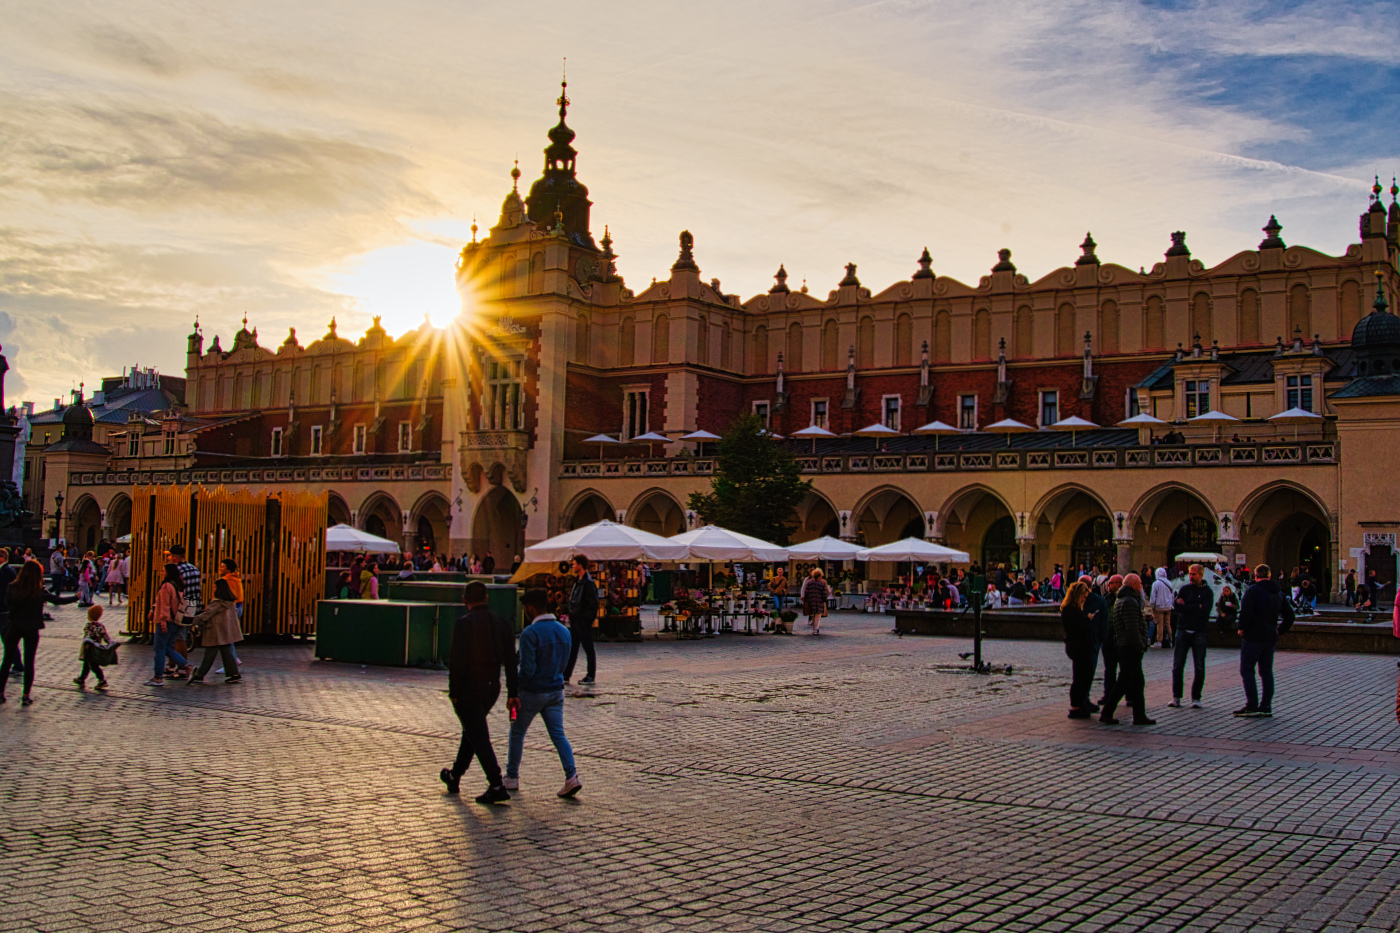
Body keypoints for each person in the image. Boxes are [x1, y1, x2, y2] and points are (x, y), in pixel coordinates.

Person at [440, 581, 518, 804]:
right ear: (486, 598)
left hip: (469, 687)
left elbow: (457, 661)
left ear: (465, 600)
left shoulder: (464, 624)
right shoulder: (501, 622)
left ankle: (496, 783)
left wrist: (454, 691)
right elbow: (511, 661)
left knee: (479, 735)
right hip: (492, 686)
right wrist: (514, 692)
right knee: (473, 731)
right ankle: (454, 776)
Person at [506, 588, 581, 799]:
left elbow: (527, 668)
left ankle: (511, 777)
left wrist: (517, 689)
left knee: (517, 732)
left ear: (530, 608)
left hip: (532, 691)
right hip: (556, 691)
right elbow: (565, 662)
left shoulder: (530, 633)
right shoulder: (563, 631)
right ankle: (571, 775)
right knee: (558, 734)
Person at [2, 560, 79, 704]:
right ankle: (25, 695)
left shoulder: (12, 587)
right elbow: (57, 600)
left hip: (13, 626)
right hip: (31, 628)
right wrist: (75, 597)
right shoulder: (39, 590)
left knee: (6, 660)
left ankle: (0, 692)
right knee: (29, 662)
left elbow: (7, 604)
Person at [1235, 564, 1294, 718]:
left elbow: (1246, 611)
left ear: (1256, 575)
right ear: (1269, 575)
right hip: (1270, 638)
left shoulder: (1253, 590)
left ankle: (1252, 705)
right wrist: (1279, 630)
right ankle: (1266, 705)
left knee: (1247, 670)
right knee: (1266, 671)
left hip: (1253, 637)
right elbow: (1290, 615)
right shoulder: (1278, 593)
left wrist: (1242, 628)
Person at [1099, 572, 1155, 726]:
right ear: (1133, 585)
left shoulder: (1122, 599)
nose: (1141, 588)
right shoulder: (1129, 601)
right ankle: (1107, 712)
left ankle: (1139, 715)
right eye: (1140, 585)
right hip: (1130, 648)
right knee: (1123, 682)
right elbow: (1132, 628)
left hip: (1126, 646)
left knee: (1137, 682)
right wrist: (1141, 645)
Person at [1169, 563, 1215, 709]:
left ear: (1201, 575)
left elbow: (1205, 611)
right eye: (1189, 574)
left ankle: (1196, 697)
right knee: (1177, 666)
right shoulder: (1184, 589)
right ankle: (1176, 697)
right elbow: (1177, 608)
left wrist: (1187, 606)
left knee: (1199, 666)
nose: (1191, 577)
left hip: (1199, 632)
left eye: (1194, 574)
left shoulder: (1208, 591)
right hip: (1182, 630)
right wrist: (1196, 606)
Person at [146, 562, 192, 687]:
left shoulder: (166, 586)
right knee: (168, 648)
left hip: (166, 621)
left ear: (168, 572)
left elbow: (165, 605)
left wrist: (163, 621)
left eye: (163, 571)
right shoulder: (179, 585)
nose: (161, 573)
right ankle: (186, 665)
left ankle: (158, 677)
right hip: (177, 621)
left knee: (159, 649)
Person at [189, 579, 243, 684]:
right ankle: (234, 674)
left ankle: (199, 674)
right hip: (226, 632)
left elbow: (205, 616)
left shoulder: (217, 603)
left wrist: (191, 620)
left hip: (214, 632)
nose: (213, 589)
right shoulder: (230, 602)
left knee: (209, 654)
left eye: (214, 587)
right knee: (227, 653)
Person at [1061, 580, 1096, 719]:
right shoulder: (1070, 610)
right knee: (1080, 677)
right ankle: (1075, 706)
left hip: (1080, 646)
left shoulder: (1073, 609)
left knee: (1085, 675)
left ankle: (1080, 704)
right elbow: (1076, 628)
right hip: (1078, 647)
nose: (1084, 599)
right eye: (1083, 596)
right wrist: (1087, 620)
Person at [563, 555, 598, 685]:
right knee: (573, 647)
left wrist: (585, 619)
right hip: (575, 619)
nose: (572, 566)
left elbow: (593, 604)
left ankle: (591, 675)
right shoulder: (578, 581)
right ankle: (566, 674)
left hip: (582, 620)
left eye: (574, 563)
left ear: (580, 565)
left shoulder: (587, 583)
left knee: (588, 647)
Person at [168, 544, 203, 663]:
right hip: (192, 607)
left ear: (174, 557)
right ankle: (172, 664)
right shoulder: (194, 569)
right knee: (178, 637)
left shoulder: (176, 571)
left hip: (179, 608)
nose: (168, 558)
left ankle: (182, 666)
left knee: (178, 638)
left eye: (169, 556)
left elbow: (173, 591)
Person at [1096, 574, 1123, 708]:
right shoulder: (1106, 598)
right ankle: (1108, 694)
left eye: (1110, 583)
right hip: (1108, 638)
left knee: (1124, 669)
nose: (1107, 585)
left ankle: (1127, 695)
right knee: (1110, 668)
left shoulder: (1123, 598)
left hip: (1120, 637)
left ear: (1117, 584)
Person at [75, 604, 115, 690]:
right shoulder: (101, 626)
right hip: (97, 647)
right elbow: (105, 636)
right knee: (87, 664)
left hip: (89, 648)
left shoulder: (88, 626)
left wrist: (85, 645)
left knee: (92, 665)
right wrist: (109, 644)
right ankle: (82, 678)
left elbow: (86, 637)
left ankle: (102, 680)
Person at [1149, 567, 1175, 647]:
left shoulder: (1156, 584)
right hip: (1168, 607)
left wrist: (1152, 606)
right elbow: (1172, 596)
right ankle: (1171, 640)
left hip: (1159, 607)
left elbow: (1153, 596)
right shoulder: (1169, 583)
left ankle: (1159, 641)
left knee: (1159, 624)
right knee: (1168, 624)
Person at [800, 568, 830, 635]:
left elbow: (806, 592)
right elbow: (825, 593)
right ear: (819, 576)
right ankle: (816, 629)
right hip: (819, 601)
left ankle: (814, 629)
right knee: (818, 615)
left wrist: (806, 600)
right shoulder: (822, 584)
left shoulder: (809, 583)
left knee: (813, 615)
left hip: (811, 601)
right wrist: (824, 599)